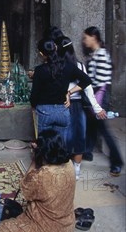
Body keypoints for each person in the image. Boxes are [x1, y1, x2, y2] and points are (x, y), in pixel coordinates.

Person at [0, 129, 76, 232]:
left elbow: (24, 189)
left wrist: (34, 159)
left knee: (4, 228)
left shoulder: (42, 176)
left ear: (42, 151)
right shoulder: (70, 165)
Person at [57, 36, 107, 180]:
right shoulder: (79, 66)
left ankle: (64, 169)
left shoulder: (57, 66)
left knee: (63, 138)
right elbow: (88, 89)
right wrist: (97, 108)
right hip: (77, 106)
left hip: (62, 105)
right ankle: (76, 169)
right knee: (79, 137)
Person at [30, 38, 93, 139]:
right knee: (60, 146)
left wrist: (33, 106)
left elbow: (34, 95)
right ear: (55, 48)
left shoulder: (39, 70)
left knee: (45, 145)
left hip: (45, 112)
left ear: (42, 54)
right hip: (62, 111)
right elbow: (87, 80)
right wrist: (69, 92)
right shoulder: (68, 66)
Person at [82, 26, 124, 176]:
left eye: (86, 37)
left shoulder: (101, 55)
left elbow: (100, 83)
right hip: (94, 95)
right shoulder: (94, 55)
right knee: (92, 125)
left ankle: (117, 161)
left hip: (99, 96)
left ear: (94, 37)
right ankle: (87, 151)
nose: (84, 41)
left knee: (103, 130)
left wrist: (93, 101)